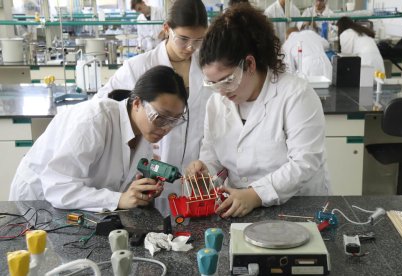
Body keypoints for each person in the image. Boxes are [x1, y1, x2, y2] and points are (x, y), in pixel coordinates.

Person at [186, 4, 331, 218]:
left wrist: (255, 194)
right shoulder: (216, 104)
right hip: (239, 208)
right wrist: (205, 170)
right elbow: (213, 154)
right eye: (213, 84)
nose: (221, 92)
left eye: (227, 80)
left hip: (298, 208)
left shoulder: (296, 95)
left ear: (250, 64)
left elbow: (304, 162)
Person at [9, 66, 188, 212]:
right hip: (37, 200)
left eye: (174, 121)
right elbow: (58, 187)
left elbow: (114, 179)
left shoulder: (144, 133)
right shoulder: (94, 120)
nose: (166, 128)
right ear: (137, 103)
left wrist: (139, 191)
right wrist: (120, 199)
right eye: (160, 117)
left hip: (76, 209)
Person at [95, 0, 210, 216]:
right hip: (147, 179)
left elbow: (212, 123)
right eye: (183, 39)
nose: (190, 48)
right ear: (167, 28)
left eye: (198, 41)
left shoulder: (207, 70)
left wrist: (206, 162)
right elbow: (104, 109)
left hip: (193, 179)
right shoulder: (138, 67)